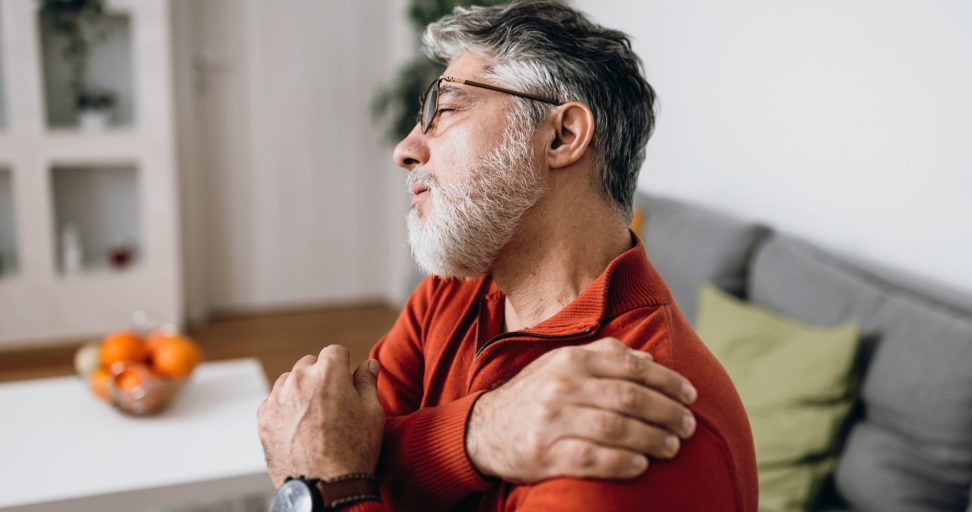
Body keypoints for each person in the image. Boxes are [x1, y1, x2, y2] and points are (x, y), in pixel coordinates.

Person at [257, 2, 757, 511]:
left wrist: (323, 485)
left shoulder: (622, 418)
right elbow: (349, 437)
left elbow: (339, 458)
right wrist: (476, 433)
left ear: (561, 137)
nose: (405, 149)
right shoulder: (452, 291)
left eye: (445, 111)